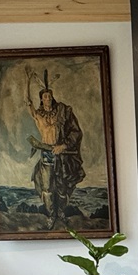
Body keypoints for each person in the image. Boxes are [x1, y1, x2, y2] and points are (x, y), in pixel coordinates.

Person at [25, 67, 86, 226]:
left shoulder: (63, 111)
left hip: (62, 155)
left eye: (50, 95)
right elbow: (27, 102)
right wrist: (27, 80)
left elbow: (75, 132)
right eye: (45, 96)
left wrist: (64, 145)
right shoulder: (39, 116)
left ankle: (61, 214)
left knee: (62, 187)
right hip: (46, 155)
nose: (48, 98)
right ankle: (51, 215)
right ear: (42, 99)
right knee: (47, 188)